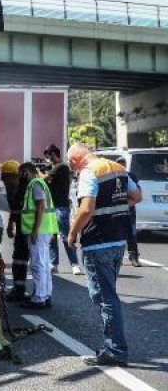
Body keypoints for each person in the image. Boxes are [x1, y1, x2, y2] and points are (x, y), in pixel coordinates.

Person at [67, 144, 141, 367]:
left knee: (105, 299)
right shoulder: (116, 168)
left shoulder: (89, 172)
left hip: (98, 242)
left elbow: (87, 208)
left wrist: (72, 233)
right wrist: (114, 206)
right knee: (108, 297)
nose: (73, 167)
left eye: (72, 163)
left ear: (76, 160)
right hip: (118, 240)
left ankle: (115, 351)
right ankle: (114, 348)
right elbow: (136, 196)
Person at [18, 162, 59, 309]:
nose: (19, 176)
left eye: (20, 173)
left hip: (39, 231)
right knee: (44, 264)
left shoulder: (35, 183)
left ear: (27, 172)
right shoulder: (40, 183)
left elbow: (41, 206)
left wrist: (35, 230)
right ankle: (45, 294)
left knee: (37, 264)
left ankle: (39, 298)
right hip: (45, 229)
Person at [43, 144, 81, 275]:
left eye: (48, 156)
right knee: (52, 236)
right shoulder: (56, 169)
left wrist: (38, 171)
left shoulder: (62, 166)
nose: (48, 159)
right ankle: (54, 264)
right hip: (52, 207)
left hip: (61, 206)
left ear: (54, 154)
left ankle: (74, 264)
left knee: (65, 236)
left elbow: (43, 179)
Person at [4, 161, 30, 301]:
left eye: (8, 177)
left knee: (24, 259)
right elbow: (14, 208)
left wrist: (10, 224)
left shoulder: (24, 187)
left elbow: (17, 207)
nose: (6, 181)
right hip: (24, 229)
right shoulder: (19, 187)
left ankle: (22, 290)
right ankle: (20, 288)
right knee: (20, 259)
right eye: (4, 177)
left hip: (27, 229)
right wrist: (10, 223)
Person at [116, 157, 141, 267]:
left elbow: (138, 194)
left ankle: (134, 256)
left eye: (123, 164)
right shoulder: (112, 177)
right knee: (117, 234)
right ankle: (118, 257)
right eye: (119, 164)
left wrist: (126, 204)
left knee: (132, 234)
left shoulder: (131, 177)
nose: (121, 166)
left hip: (129, 209)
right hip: (116, 210)